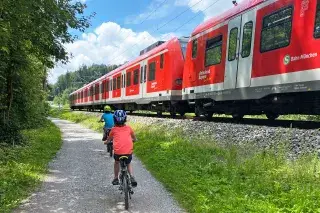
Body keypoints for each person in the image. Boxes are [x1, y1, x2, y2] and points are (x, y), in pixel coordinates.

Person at [105, 110, 138, 187]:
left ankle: (116, 178)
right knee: (128, 163)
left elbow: (109, 139)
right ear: (125, 119)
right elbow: (134, 138)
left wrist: (106, 142)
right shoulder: (129, 128)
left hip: (118, 153)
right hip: (128, 152)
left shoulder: (113, 129)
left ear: (114, 120)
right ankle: (132, 177)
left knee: (116, 162)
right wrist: (134, 140)